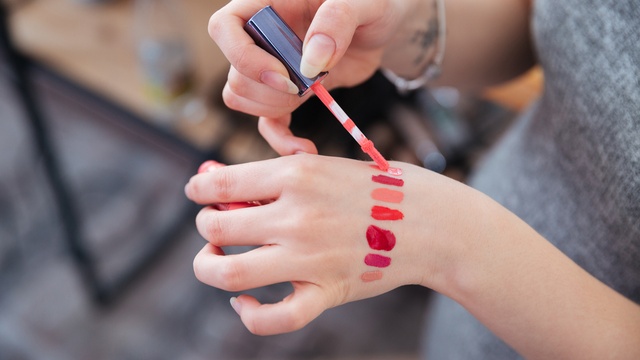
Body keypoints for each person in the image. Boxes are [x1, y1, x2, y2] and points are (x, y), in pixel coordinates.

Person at [184, 0, 640, 358]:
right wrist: (396, 29)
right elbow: (555, 26)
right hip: (462, 324)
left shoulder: (448, 241)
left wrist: (449, 239)